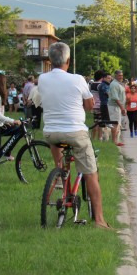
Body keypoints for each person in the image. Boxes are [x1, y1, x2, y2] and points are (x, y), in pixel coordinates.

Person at [38, 42, 110, 229]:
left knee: (56, 140)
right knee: (91, 174)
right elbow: (88, 105)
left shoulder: (42, 79)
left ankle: (60, 172)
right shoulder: (78, 79)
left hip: (51, 132)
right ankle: (100, 220)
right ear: (68, 60)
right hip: (75, 132)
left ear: (49, 60)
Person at [107, 70, 127, 146]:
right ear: (115, 76)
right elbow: (115, 98)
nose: (121, 77)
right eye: (119, 75)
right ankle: (114, 141)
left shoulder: (118, 84)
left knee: (117, 124)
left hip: (118, 107)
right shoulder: (114, 84)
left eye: (122, 75)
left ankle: (116, 140)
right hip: (114, 107)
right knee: (115, 124)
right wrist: (122, 108)